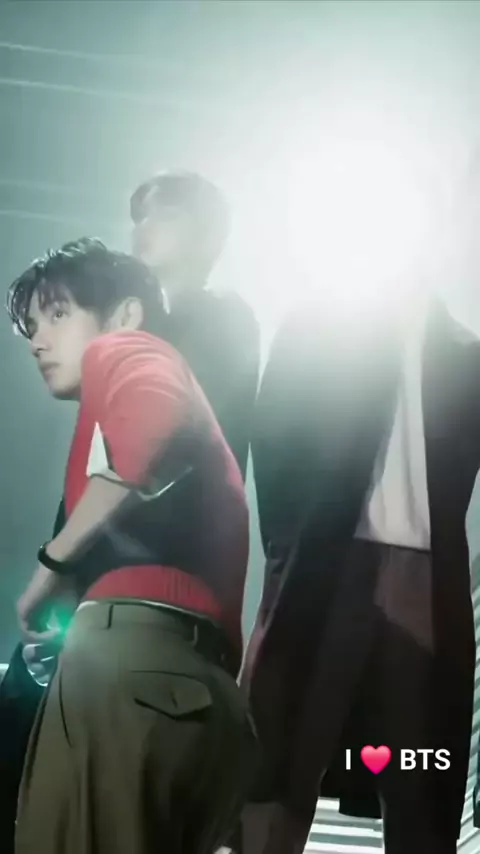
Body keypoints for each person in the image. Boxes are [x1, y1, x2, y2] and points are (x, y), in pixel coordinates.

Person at [6, 237, 256, 854]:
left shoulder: (126, 348)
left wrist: (52, 564)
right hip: (187, 684)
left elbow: (151, 427)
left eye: (58, 314)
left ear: (125, 314)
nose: (38, 340)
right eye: (32, 326)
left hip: (134, 674)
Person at [240, 281, 480, 854]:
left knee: (423, 773)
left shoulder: (466, 353)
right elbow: (272, 438)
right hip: (325, 563)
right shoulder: (319, 323)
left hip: (428, 577)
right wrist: (289, 549)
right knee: (282, 758)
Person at [130, 169, 260, 479]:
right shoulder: (135, 320)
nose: (144, 227)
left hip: (183, 503)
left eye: (166, 215)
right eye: (141, 217)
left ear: (206, 235)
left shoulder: (225, 315)